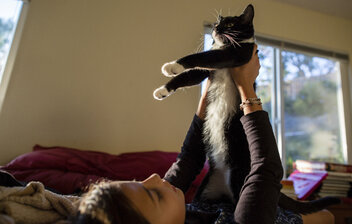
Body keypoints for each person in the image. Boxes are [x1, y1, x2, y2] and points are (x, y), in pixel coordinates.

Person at [73, 45, 334, 224]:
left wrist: (211, 88)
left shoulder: (172, 209)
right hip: (263, 214)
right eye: (151, 194)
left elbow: (189, 158)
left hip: (239, 202)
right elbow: (266, 170)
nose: (153, 177)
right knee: (328, 218)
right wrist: (246, 86)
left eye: (139, 181)